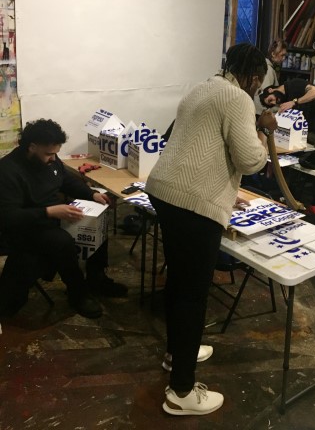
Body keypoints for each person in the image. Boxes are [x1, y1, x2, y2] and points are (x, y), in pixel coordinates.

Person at [145, 43, 277, 416]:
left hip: (165, 191)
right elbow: (249, 161)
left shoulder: (202, 88)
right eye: (258, 81)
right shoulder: (238, 98)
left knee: (178, 282)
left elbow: (204, 145)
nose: (257, 88)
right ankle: (181, 392)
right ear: (253, 77)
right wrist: (263, 131)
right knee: (192, 295)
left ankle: (177, 354)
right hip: (193, 204)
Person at [0, 119, 127, 319]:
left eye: (55, 154)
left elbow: (65, 180)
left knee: (96, 220)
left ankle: (97, 277)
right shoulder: (8, 171)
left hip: (53, 215)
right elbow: (9, 217)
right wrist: (49, 212)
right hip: (27, 226)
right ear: (32, 147)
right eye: (48, 154)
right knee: (62, 242)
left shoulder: (50, 159)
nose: (53, 159)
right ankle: (78, 293)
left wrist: (91, 194)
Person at [260, 77, 315, 147]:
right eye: (271, 104)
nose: (274, 102)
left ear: (271, 90)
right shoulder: (284, 99)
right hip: (308, 131)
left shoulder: (294, 84)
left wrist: (294, 102)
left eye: (270, 99)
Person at [254, 39, 288, 115]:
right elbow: (266, 96)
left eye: (285, 56)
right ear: (273, 54)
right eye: (282, 55)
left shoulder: (266, 67)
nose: (283, 58)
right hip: (262, 114)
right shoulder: (268, 70)